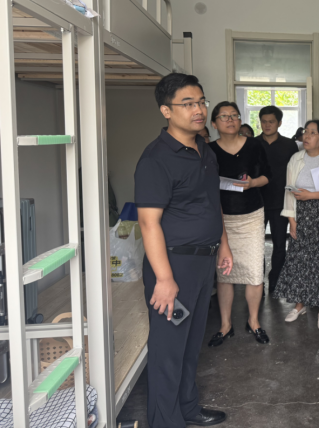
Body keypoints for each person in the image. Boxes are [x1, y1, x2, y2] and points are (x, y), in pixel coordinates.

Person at [135, 73, 233, 428]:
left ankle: (188, 408)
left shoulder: (204, 150)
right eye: (188, 104)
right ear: (166, 111)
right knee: (168, 350)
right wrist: (164, 278)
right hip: (174, 264)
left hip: (203, 263)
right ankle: (166, 422)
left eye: (201, 102)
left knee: (191, 344)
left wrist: (223, 244)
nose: (199, 110)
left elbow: (211, 201)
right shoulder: (156, 158)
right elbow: (148, 223)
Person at [208, 102, 272, 346]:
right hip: (222, 218)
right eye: (224, 116)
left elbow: (268, 176)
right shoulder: (208, 150)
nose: (230, 120)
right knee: (225, 274)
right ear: (214, 123)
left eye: (234, 115)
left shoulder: (255, 145)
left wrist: (253, 183)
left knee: (255, 272)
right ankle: (226, 325)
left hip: (251, 215)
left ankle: (253, 321)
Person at [274, 120, 319, 331]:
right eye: (306, 132)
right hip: (301, 213)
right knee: (299, 260)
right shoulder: (295, 159)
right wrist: (291, 221)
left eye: (313, 133)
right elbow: (289, 191)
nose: (307, 136)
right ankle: (300, 305)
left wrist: (311, 196)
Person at [258, 106, 299, 293]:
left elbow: (294, 174)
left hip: (281, 202)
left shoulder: (289, 145)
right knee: (256, 246)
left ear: (279, 123)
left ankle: (275, 281)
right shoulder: (252, 143)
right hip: (256, 202)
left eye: (271, 121)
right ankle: (258, 282)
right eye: (264, 121)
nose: (267, 125)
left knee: (279, 244)